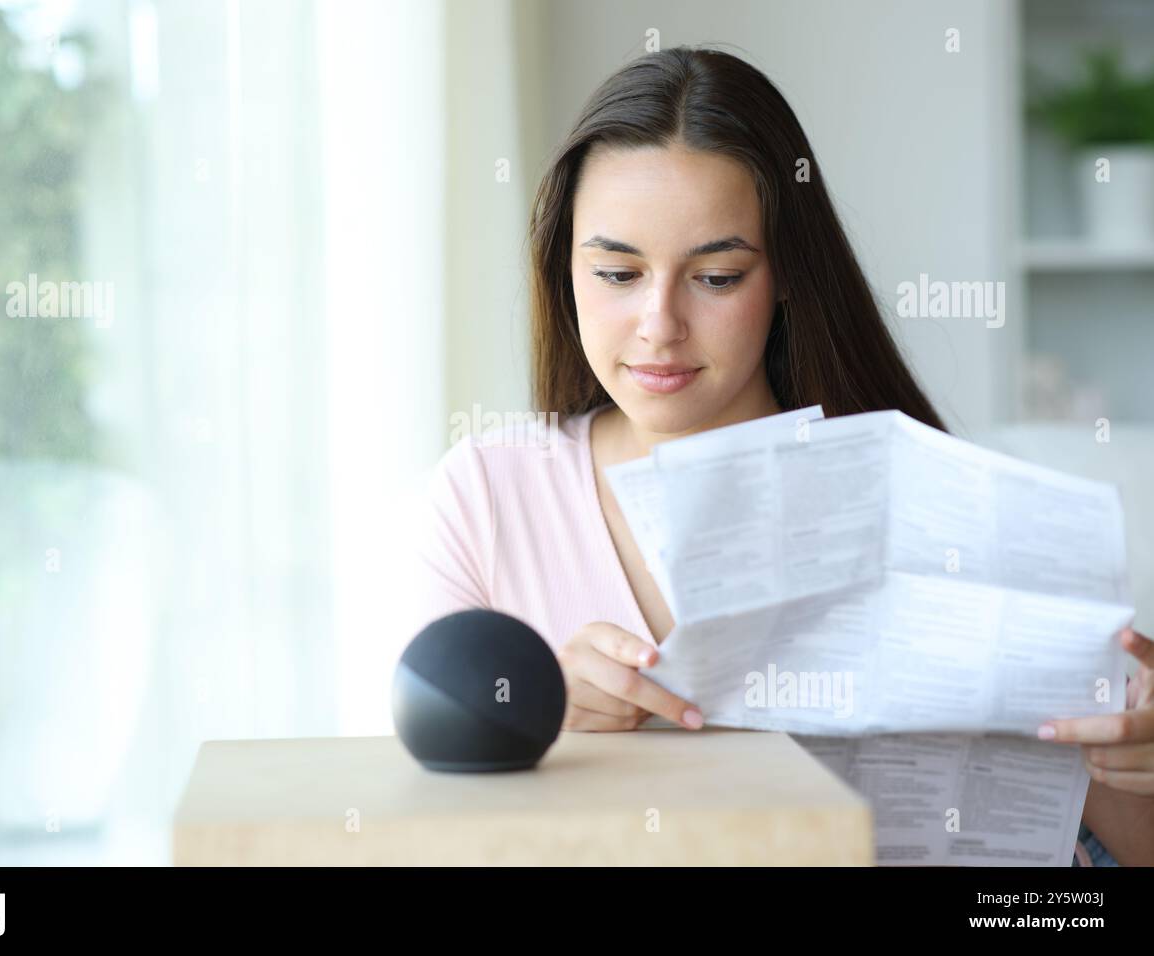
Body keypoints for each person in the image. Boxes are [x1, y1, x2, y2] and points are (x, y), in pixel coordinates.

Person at [411, 46, 1152, 866]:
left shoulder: (934, 509)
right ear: (564, 271)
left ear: (789, 276)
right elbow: (427, 824)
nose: (659, 323)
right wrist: (531, 715)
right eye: (618, 273)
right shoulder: (486, 494)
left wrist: (1137, 759)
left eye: (717, 277)